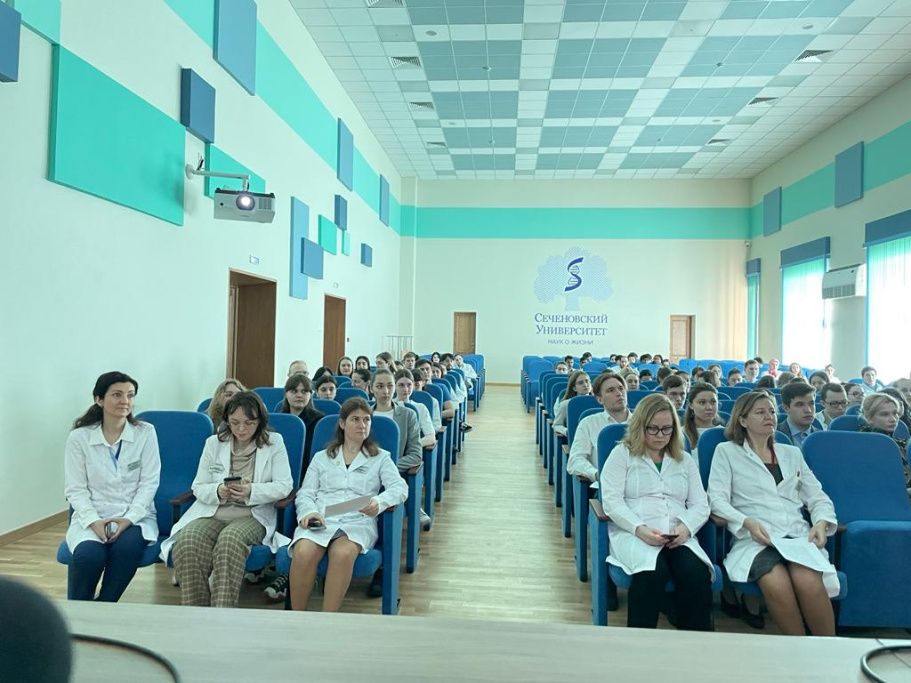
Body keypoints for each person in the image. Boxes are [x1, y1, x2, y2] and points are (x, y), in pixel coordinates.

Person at [708, 391, 839, 636]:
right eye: (760, 412)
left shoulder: (791, 453)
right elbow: (716, 500)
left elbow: (817, 496)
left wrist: (821, 522)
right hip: (757, 539)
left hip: (796, 537)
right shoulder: (727, 452)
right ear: (742, 420)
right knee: (776, 583)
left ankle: (828, 648)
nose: (769, 416)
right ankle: (797, 648)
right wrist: (746, 522)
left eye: (771, 411)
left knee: (808, 581)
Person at [163, 392, 292, 608]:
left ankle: (222, 612)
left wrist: (251, 491)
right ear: (227, 420)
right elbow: (199, 486)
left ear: (260, 421)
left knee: (230, 539)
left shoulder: (274, 443)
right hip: (214, 512)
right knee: (188, 539)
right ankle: (195, 611)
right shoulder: (214, 443)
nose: (241, 429)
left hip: (252, 515)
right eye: (234, 422)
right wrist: (218, 490)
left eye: (249, 423)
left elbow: (284, 485)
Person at [602, 394, 714, 631]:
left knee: (695, 573)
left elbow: (700, 504)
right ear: (639, 426)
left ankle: (697, 643)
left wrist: (685, 529)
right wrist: (639, 529)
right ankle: (641, 644)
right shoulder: (622, 454)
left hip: (677, 532)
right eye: (652, 429)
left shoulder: (684, 459)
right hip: (635, 532)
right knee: (652, 573)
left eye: (667, 429)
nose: (660, 435)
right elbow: (611, 501)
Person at [288, 398, 407, 611]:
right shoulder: (322, 457)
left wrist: (379, 502)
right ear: (342, 424)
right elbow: (306, 493)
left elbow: (400, 488)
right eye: (355, 419)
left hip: (357, 522)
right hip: (322, 518)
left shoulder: (380, 457)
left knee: (342, 554)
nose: (362, 425)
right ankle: (297, 618)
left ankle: (329, 619)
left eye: (366, 420)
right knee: (303, 552)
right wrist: (309, 513)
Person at [64, 372, 160, 602]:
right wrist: (93, 520)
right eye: (117, 395)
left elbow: (149, 483)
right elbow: (75, 489)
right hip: (92, 516)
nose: (125, 401)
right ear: (99, 399)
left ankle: (105, 605)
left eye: (130, 395)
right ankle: (78, 612)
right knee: (89, 557)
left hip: (135, 517)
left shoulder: (145, 433)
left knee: (126, 549)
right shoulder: (79, 438)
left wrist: (129, 518)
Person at [370, 369, 425, 584]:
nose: (385, 391)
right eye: (380, 386)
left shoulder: (407, 415)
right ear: (371, 389)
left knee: (382, 503)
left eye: (390, 386)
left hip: (391, 479)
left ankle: (382, 567)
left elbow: (416, 455)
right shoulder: (363, 414)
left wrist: (387, 468)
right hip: (362, 476)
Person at [567, 372, 631, 483]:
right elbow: (575, 460)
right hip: (605, 485)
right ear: (599, 399)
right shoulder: (588, 423)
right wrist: (596, 474)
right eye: (611, 390)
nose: (619, 393)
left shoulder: (643, 422)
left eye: (621, 388)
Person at [859, 393, 910, 492]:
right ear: (869, 417)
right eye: (884, 414)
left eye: (895, 413)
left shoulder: (902, 443)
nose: (893, 419)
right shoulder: (863, 444)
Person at [682, 383, 724, 454]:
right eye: (702, 402)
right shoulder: (681, 434)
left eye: (713, 402)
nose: (709, 407)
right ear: (691, 405)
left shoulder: (725, 433)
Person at [777, 382, 822, 449]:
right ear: (786, 408)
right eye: (800, 405)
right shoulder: (774, 436)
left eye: (811, 403)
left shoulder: (822, 436)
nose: (808, 410)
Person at [553, 370, 592, 437]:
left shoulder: (600, 402)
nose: (585, 385)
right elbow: (556, 425)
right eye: (580, 383)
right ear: (574, 388)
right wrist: (567, 431)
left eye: (587, 381)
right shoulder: (566, 404)